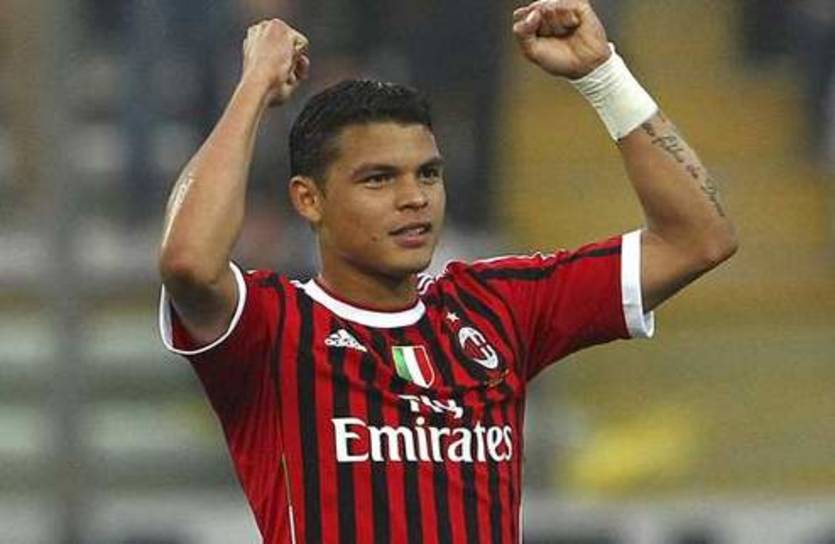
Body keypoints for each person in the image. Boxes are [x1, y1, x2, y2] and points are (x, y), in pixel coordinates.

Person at [157, 1, 738, 542]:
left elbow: (699, 238)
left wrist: (603, 75)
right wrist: (254, 87)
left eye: (428, 174)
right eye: (379, 179)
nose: (415, 198)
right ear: (309, 199)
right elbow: (187, 260)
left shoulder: (498, 307)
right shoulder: (271, 327)